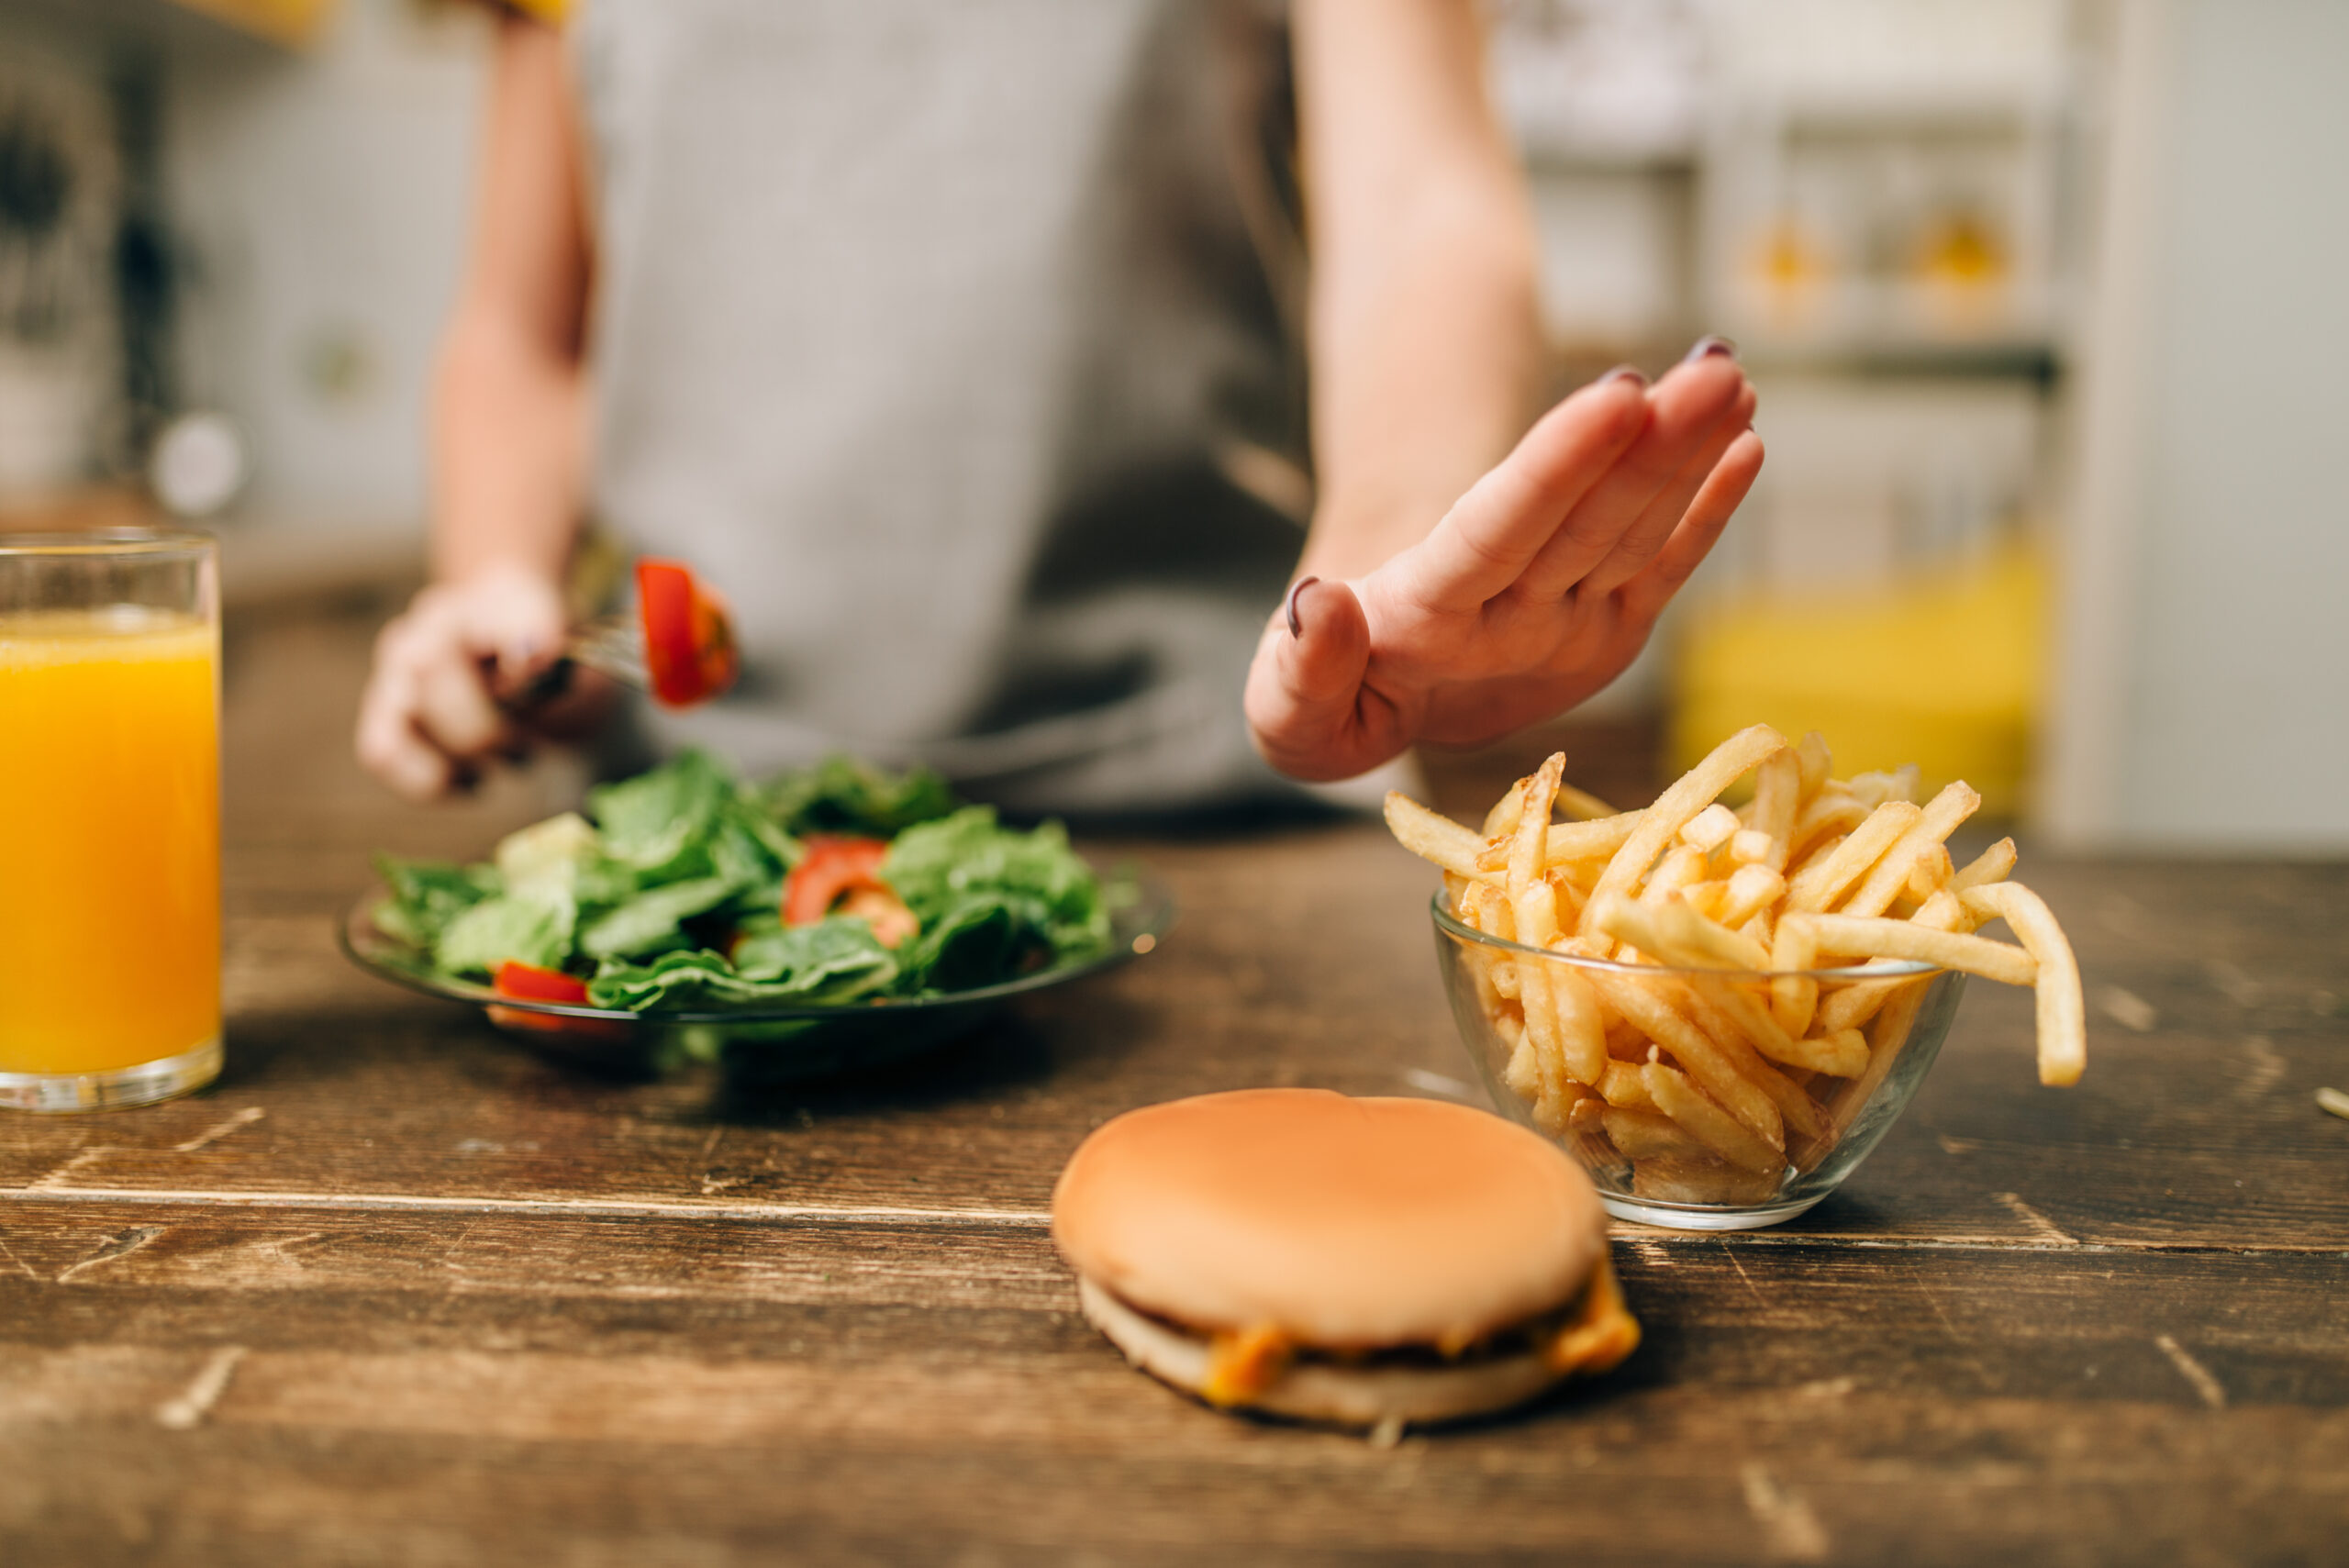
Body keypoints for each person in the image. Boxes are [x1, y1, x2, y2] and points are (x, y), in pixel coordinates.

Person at [357, 0, 1761, 816]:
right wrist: (494, 576)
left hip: (1213, 803)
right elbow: (521, 331)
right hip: (700, 823)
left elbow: (1418, 206)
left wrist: (1388, 567)